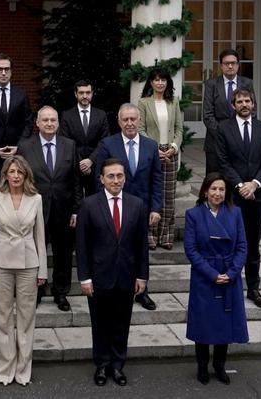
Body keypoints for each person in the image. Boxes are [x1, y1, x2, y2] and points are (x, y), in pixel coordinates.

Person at [77, 159, 149, 388]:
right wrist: (85, 277)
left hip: (126, 276)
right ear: (101, 179)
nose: (115, 180)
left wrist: (142, 276)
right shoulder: (89, 205)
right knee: (100, 324)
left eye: (119, 176)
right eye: (111, 176)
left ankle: (117, 365)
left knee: (121, 323)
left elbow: (141, 246)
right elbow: (82, 245)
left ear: (125, 178)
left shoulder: (137, 204)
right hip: (98, 277)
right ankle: (101, 364)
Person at [0, 155, 46, 386]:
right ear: (5, 175)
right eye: (12, 172)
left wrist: (43, 271)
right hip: (1, 263)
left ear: (26, 174)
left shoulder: (36, 199)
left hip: (29, 264)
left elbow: (40, 235)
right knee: (3, 317)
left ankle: (23, 369)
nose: (16, 176)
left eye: (20, 172)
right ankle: (5, 367)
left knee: (27, 318)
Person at [93, 103, 162, 311]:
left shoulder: (151, 145)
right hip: (115, 207)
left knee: (140, 249)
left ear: (139, 120)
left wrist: (156, 208)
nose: (130, 123)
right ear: (119, 121)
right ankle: (116, 287)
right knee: (115, 247)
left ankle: (142, 292)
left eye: (133, 119)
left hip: (142, 208)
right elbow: (99, 180)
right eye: (125, 119)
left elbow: (157, 179)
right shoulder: (107, 144)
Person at [184, 173, 249, 385]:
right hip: (205, 276)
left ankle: (219, 366)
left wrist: (231, 273)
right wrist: (212, 274)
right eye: (213, 189)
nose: (217, 193)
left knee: (225, 323)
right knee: (203, 323)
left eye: (221, 189)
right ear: (205, 191)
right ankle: (202, 366)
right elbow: (191, 250)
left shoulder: (235, 212)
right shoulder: (193, 214)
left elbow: (242, 246)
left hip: (229, 274)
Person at [17, 106, 81, 311]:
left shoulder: (69, 145)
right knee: (35, 252)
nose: (49, 123)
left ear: (58, 123)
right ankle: (36, 290)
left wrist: (76, 210)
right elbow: (19, 180)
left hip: (63, 211)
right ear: (37, 123)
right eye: (45, 120)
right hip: (34, 211)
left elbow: (76, 180)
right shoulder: (25, 147)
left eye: (53, 120)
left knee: (63, 254)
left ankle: (61, 292)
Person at [216, 88, 261, 308]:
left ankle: (253, 288)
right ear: (233, 105)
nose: (244, 104)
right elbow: (222, 161)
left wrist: (254, 184)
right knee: (230, 242)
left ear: (253, 104)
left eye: (247, 101)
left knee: (252, 244)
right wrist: (240, 185)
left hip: (258, 196)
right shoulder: (224, 129)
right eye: (239, 101)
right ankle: (229, 285)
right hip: (233, 196)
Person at [137, 69, 183, 250]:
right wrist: (154, 149)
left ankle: (166, 235)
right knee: (151, 193)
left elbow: (179, 129)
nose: (160, 83)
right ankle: (151, 234)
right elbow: (140, 129)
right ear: (150, 83)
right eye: (156, 80)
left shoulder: (173, 102)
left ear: (167, 83)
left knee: (168, 196)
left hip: (170, 153)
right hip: (151, 152)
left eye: (163, 80)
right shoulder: (143, 103)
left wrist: (173, 147)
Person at [203, 49, 254, 176]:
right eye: (226, 63)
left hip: (241, 141)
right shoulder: (211, 84)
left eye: (233, 63)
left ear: (238, 64)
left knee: (238, 179)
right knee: (215, 180)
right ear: (221, 66)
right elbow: (207, 115)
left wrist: (239, 135)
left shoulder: (247, 83)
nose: (230, 66)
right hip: (216, 141)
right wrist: (223, 135)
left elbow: (252, 110)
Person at [60, 80, 110, 197]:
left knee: (95, 201)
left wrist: (91, 160)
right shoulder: (67, 115)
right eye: (81, 93)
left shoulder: (101, 115)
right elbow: (65, 141)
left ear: (92, 93)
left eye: (88, 92)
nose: (85, 96)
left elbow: (104, 140)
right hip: (74, 166)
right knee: (75, 201)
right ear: (75, 94)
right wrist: (81, 164)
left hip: (96, 166)